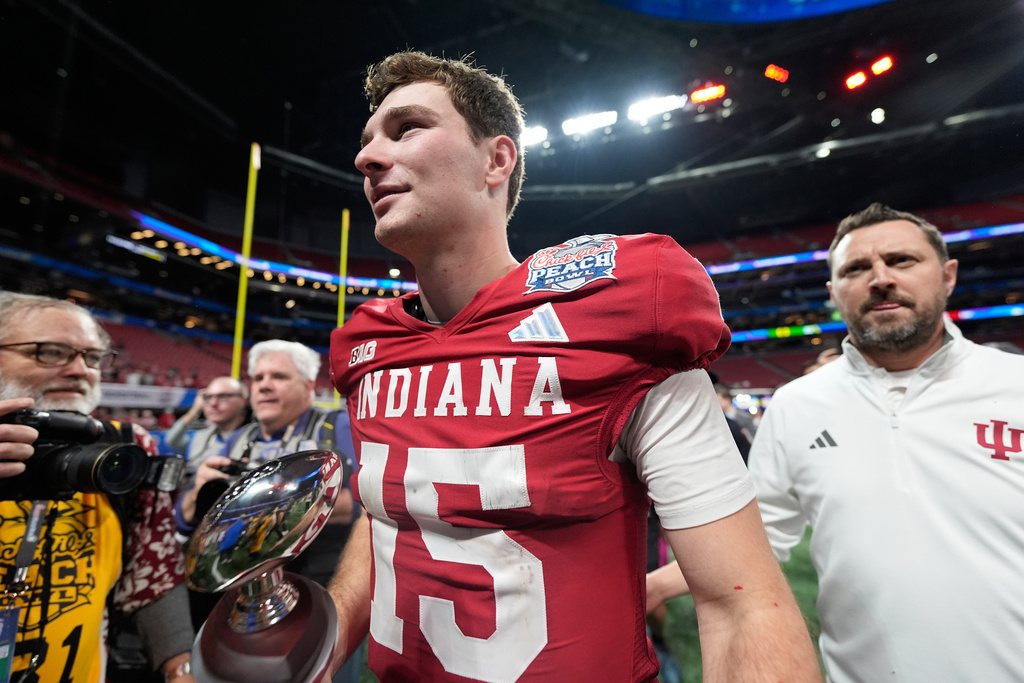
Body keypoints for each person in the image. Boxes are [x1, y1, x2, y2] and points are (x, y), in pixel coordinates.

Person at [323, 51, 819, 682]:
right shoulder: (366, 345)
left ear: (496, 161)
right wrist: (335, 627)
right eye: (367, 141)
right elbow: (395, 509)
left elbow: (741, 603)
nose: (367, 158)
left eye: (407, 128)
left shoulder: (619, 311)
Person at [650, 203, 1024, 682]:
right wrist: (653, 586)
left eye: (902, 260)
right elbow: (756, 542)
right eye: (857, 268)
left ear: (948, 275)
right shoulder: (795, 406)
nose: (881, 278)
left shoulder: (1014, 384)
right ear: (833, 292)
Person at [0, 292, 194, 683]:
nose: (80, 370)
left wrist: (181, 669)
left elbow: (151, 572)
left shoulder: (127, 447)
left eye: (91, 357)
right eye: (51, 352)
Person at [172, 340, 362, 680]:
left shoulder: (337, 426)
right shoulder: (240, 437)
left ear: (307, 386)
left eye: (278, 376)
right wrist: (199, 493)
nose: (264, 385)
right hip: (246, 600)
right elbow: (184, 521)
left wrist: (260, 505)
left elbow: (365, 505)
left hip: (324, 591)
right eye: (257, 378)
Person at [164, 375, 251, 479]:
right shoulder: (201, 437)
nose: (213, 403)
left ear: (243, 400)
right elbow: (172, 439)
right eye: (208, 397)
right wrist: (195, 410)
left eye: (223, 396)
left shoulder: (256, 436)